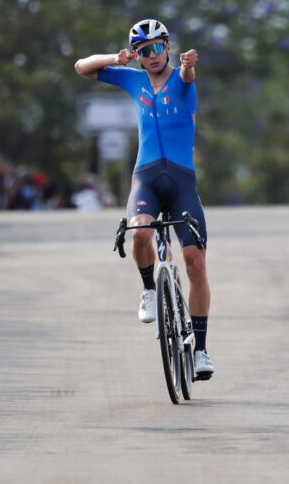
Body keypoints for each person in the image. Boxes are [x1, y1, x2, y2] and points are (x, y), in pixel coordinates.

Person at [74, 19, 214, 380]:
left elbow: (186, 77)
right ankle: (150, 290)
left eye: (157, 47)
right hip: (147, 177)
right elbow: (81, 67)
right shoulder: (132, 78)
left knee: (194, 262)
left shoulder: (183, 77)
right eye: (143, 50)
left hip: (181, 179)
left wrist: (188, 65)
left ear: (168, 46)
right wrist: (115, 58)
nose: (151, 55)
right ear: (136, 54)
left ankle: (200, 350)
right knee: (139, 235)